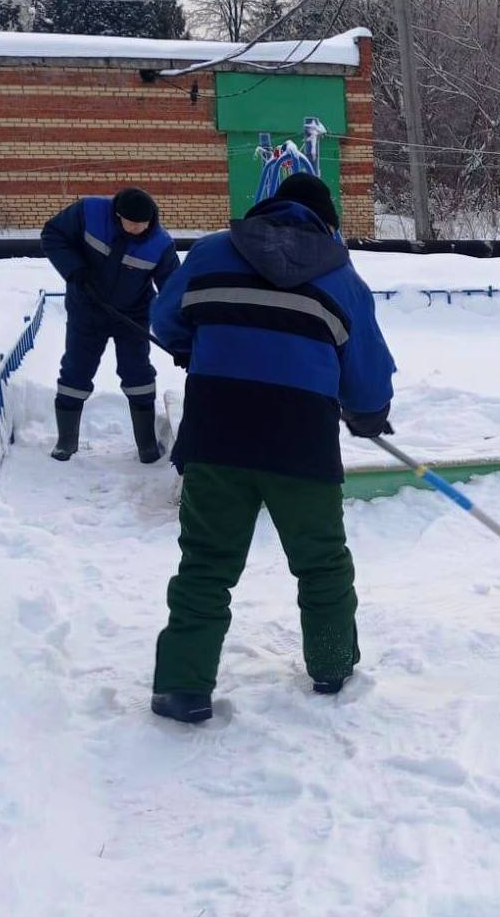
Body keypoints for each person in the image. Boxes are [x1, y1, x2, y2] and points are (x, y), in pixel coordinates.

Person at [148, 173, 395, 724]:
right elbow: (366, 377)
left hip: (217, 433)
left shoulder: (211, 251)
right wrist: (368, 413)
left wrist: (203, 346)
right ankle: (332, 666)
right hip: (300, 442)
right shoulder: (340, 275)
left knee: (206, 565)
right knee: (321, 562)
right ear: (326, 223)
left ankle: (182, 688)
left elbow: (164, 322)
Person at [40, 187, 179, 464]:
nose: (139, 229)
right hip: (87, 308)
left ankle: (147, 444)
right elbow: (53, 234)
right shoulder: (89, 213)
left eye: (144, 224)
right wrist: (75, 271)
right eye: (132, 223)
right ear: (117, 216)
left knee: (137, 372)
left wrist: (181, 332)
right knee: (76, 369)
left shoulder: (160, 244)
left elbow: (173, 290)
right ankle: (66, 441)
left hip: (132, 315)